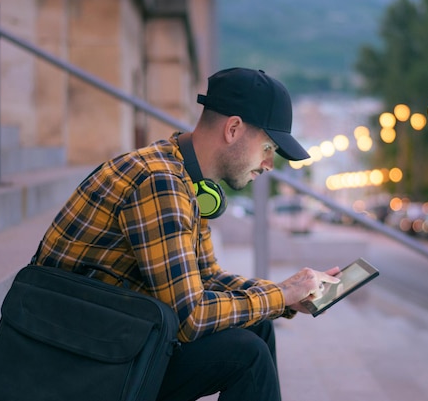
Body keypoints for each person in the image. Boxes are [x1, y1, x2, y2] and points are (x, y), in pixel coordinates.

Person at [33, 67, 341, 401]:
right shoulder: (158, 181)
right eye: (267, 147)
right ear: (233, 128)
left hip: (105, 338)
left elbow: (207, 278)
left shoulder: (184, 175)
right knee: (246, 354)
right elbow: (190, 318)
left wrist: (286, 293)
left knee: (258, 326)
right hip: (67, 362)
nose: (269, 164)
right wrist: (279, 297)